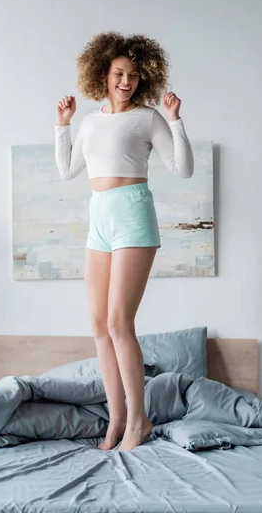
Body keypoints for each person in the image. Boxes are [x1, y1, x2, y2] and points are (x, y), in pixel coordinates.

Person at [55, 32, 194, 451]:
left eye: (134, 75)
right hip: (99, 217)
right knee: (99, 324)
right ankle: (116, 420)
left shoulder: (148, 117)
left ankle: (139, 420)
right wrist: (61, 125)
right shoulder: (90, 121)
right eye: (119, 73)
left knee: (119, 323)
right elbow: (67, 171)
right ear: (104, 73)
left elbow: (182, 168)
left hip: (133, 214)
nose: (126, 81)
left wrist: (174, 119)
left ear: (143, 77)